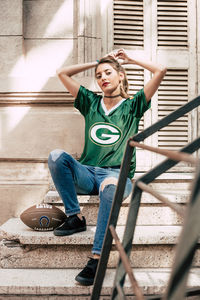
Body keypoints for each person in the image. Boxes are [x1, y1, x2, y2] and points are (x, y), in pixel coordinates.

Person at [48, 49, 167, 286]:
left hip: (115, 176)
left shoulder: (133, 106)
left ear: (120, 76)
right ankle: (75, 217)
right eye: (99, 74)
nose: (103, 77)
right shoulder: (90, 102)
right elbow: (61, 72)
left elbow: (160, 71)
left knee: (111, 187)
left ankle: (96, 258)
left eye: (108, 72)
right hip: (87, 173)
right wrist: (97, 60)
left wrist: (129, 59)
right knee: (56, 156)